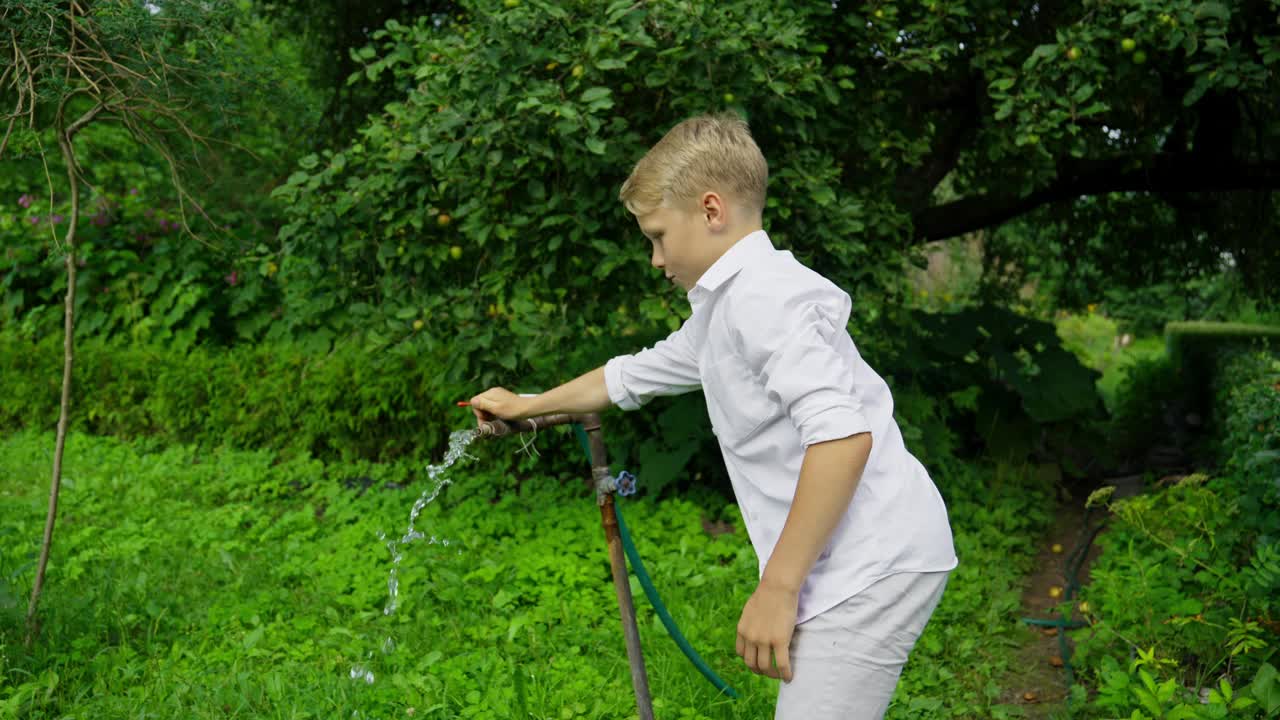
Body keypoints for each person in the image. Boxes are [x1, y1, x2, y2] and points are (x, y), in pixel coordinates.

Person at [467, 113, 957, 719]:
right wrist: (527, 405)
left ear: (710, 210)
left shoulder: (764, 299)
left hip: (868, 562)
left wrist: (778, 588)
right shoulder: (726, 309)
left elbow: (842, 439)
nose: (654, 258)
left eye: (658, 235)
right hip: (857, 557)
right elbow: (629, 375)